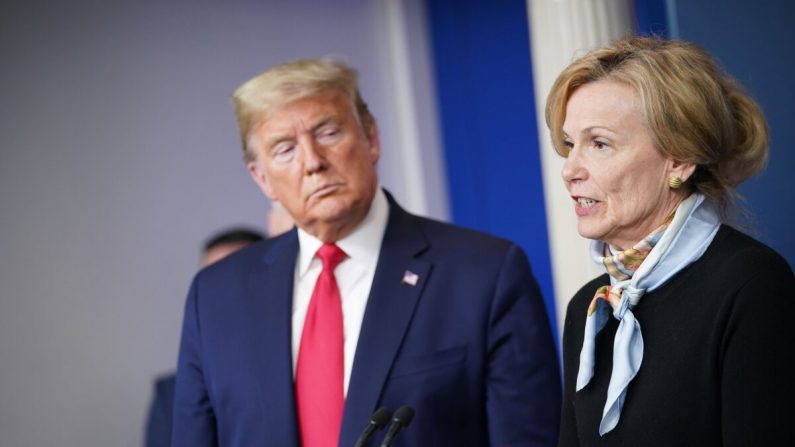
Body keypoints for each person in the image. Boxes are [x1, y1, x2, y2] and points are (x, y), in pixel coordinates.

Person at [171, 58, 561, 447]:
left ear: (371, 138)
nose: (313, 162)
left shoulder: (484, 274)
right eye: (285, 149)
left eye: (327, 132)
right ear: (262, 178)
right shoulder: (216, 296)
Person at [545, 36, 795, 446]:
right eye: (571, 144)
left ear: (678, 160)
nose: (569, 169)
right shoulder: (589, 309)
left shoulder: (752, 286)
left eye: (599, 143)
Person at [145, 228, 266, 447]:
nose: (224, 298)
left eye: (236, 281)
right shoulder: (171, 395)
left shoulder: (303, 373)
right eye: (213, 282)